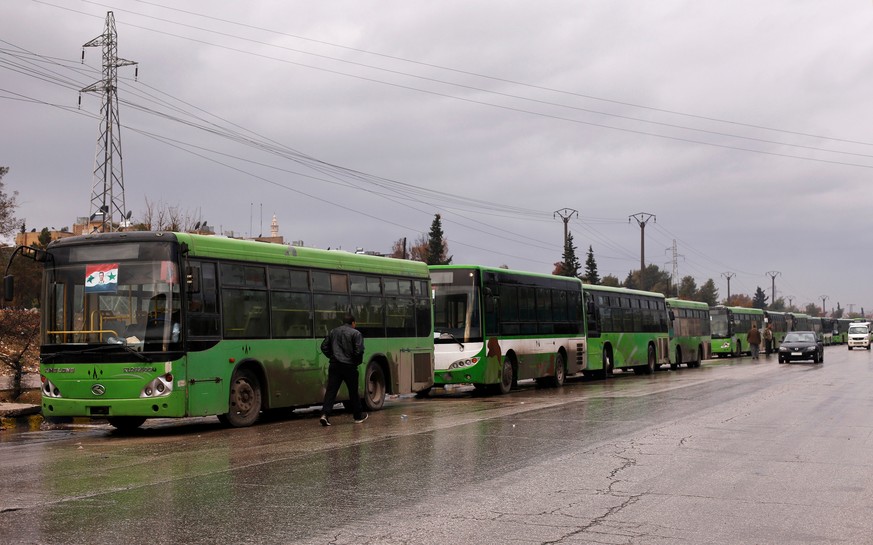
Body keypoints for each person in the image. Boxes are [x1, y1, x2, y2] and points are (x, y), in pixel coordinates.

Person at [319, 314, 367, 426]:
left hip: (335, 365)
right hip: (349, 366)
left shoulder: (333, 332)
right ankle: (358, 416)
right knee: (353, 392)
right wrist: (356, 362)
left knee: (331, 391)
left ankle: (325, 415)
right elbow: (359, 351)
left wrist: (332, 356)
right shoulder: (356, 333)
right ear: (353, 323)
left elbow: (324, 346)